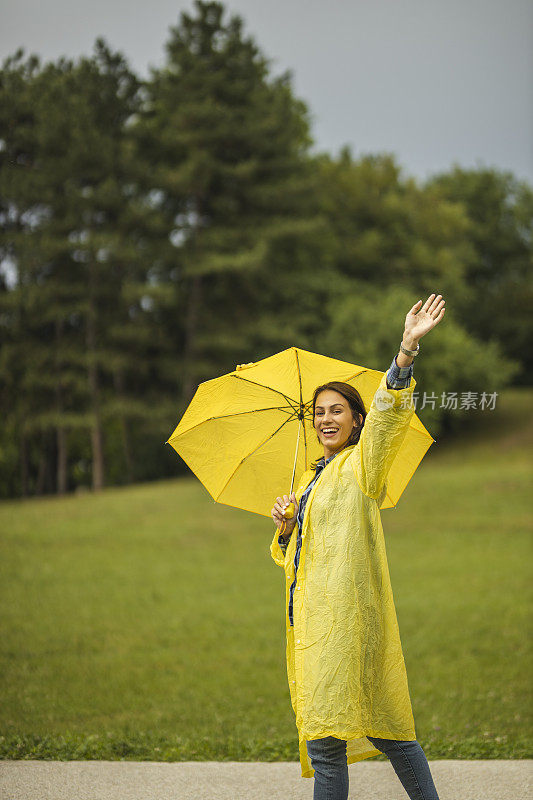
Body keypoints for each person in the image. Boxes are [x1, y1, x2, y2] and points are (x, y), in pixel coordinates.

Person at [270, 293, 445, 800]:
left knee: (388, 729)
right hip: (313, 629)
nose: (325, 419)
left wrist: (405, 353)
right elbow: (292, 558)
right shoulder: (307, 479)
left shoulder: (363, 466)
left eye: (337, 411)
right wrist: (285, 525)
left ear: (356, 421)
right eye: (319, 413)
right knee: (327, 741)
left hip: (352, 623)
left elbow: (389, 418)